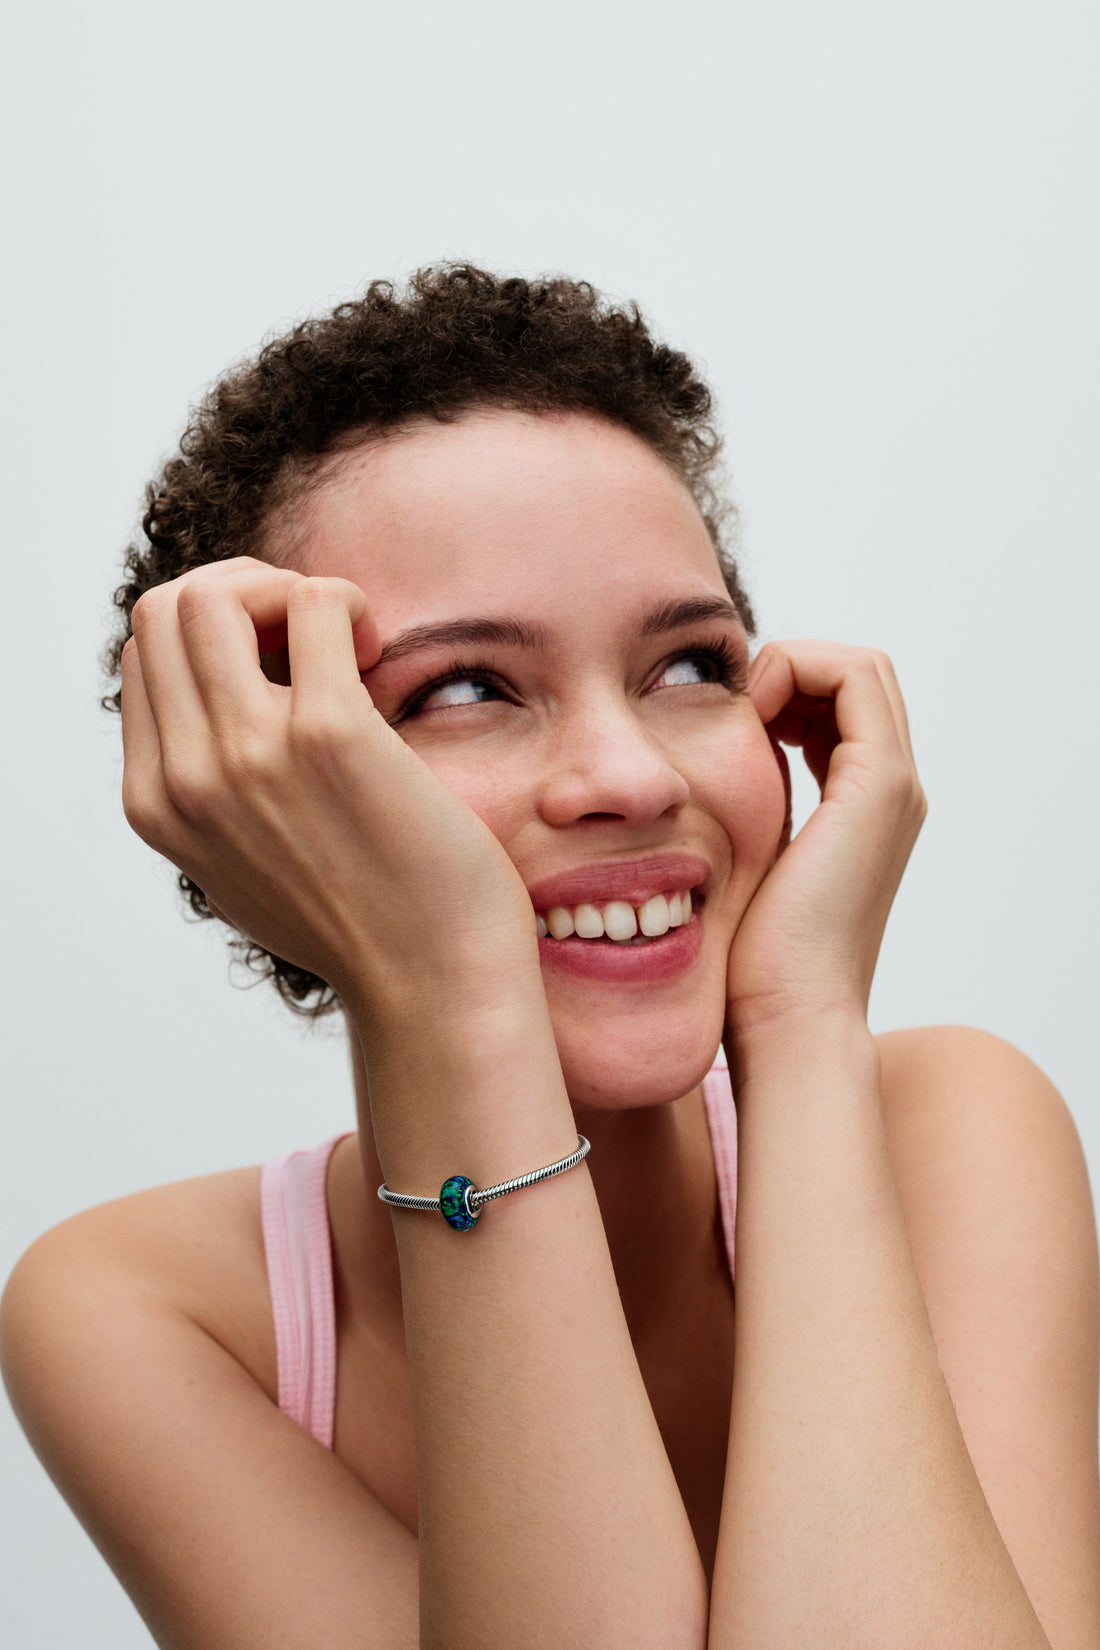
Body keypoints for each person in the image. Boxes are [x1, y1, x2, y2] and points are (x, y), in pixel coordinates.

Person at [2, 264, 1097, 1649]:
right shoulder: (141, 1311)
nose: (628, 773)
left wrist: (807, 1022)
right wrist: (453, 994)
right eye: (463, 690)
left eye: (688, 666)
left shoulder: (954, 1125)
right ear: (258, 787)